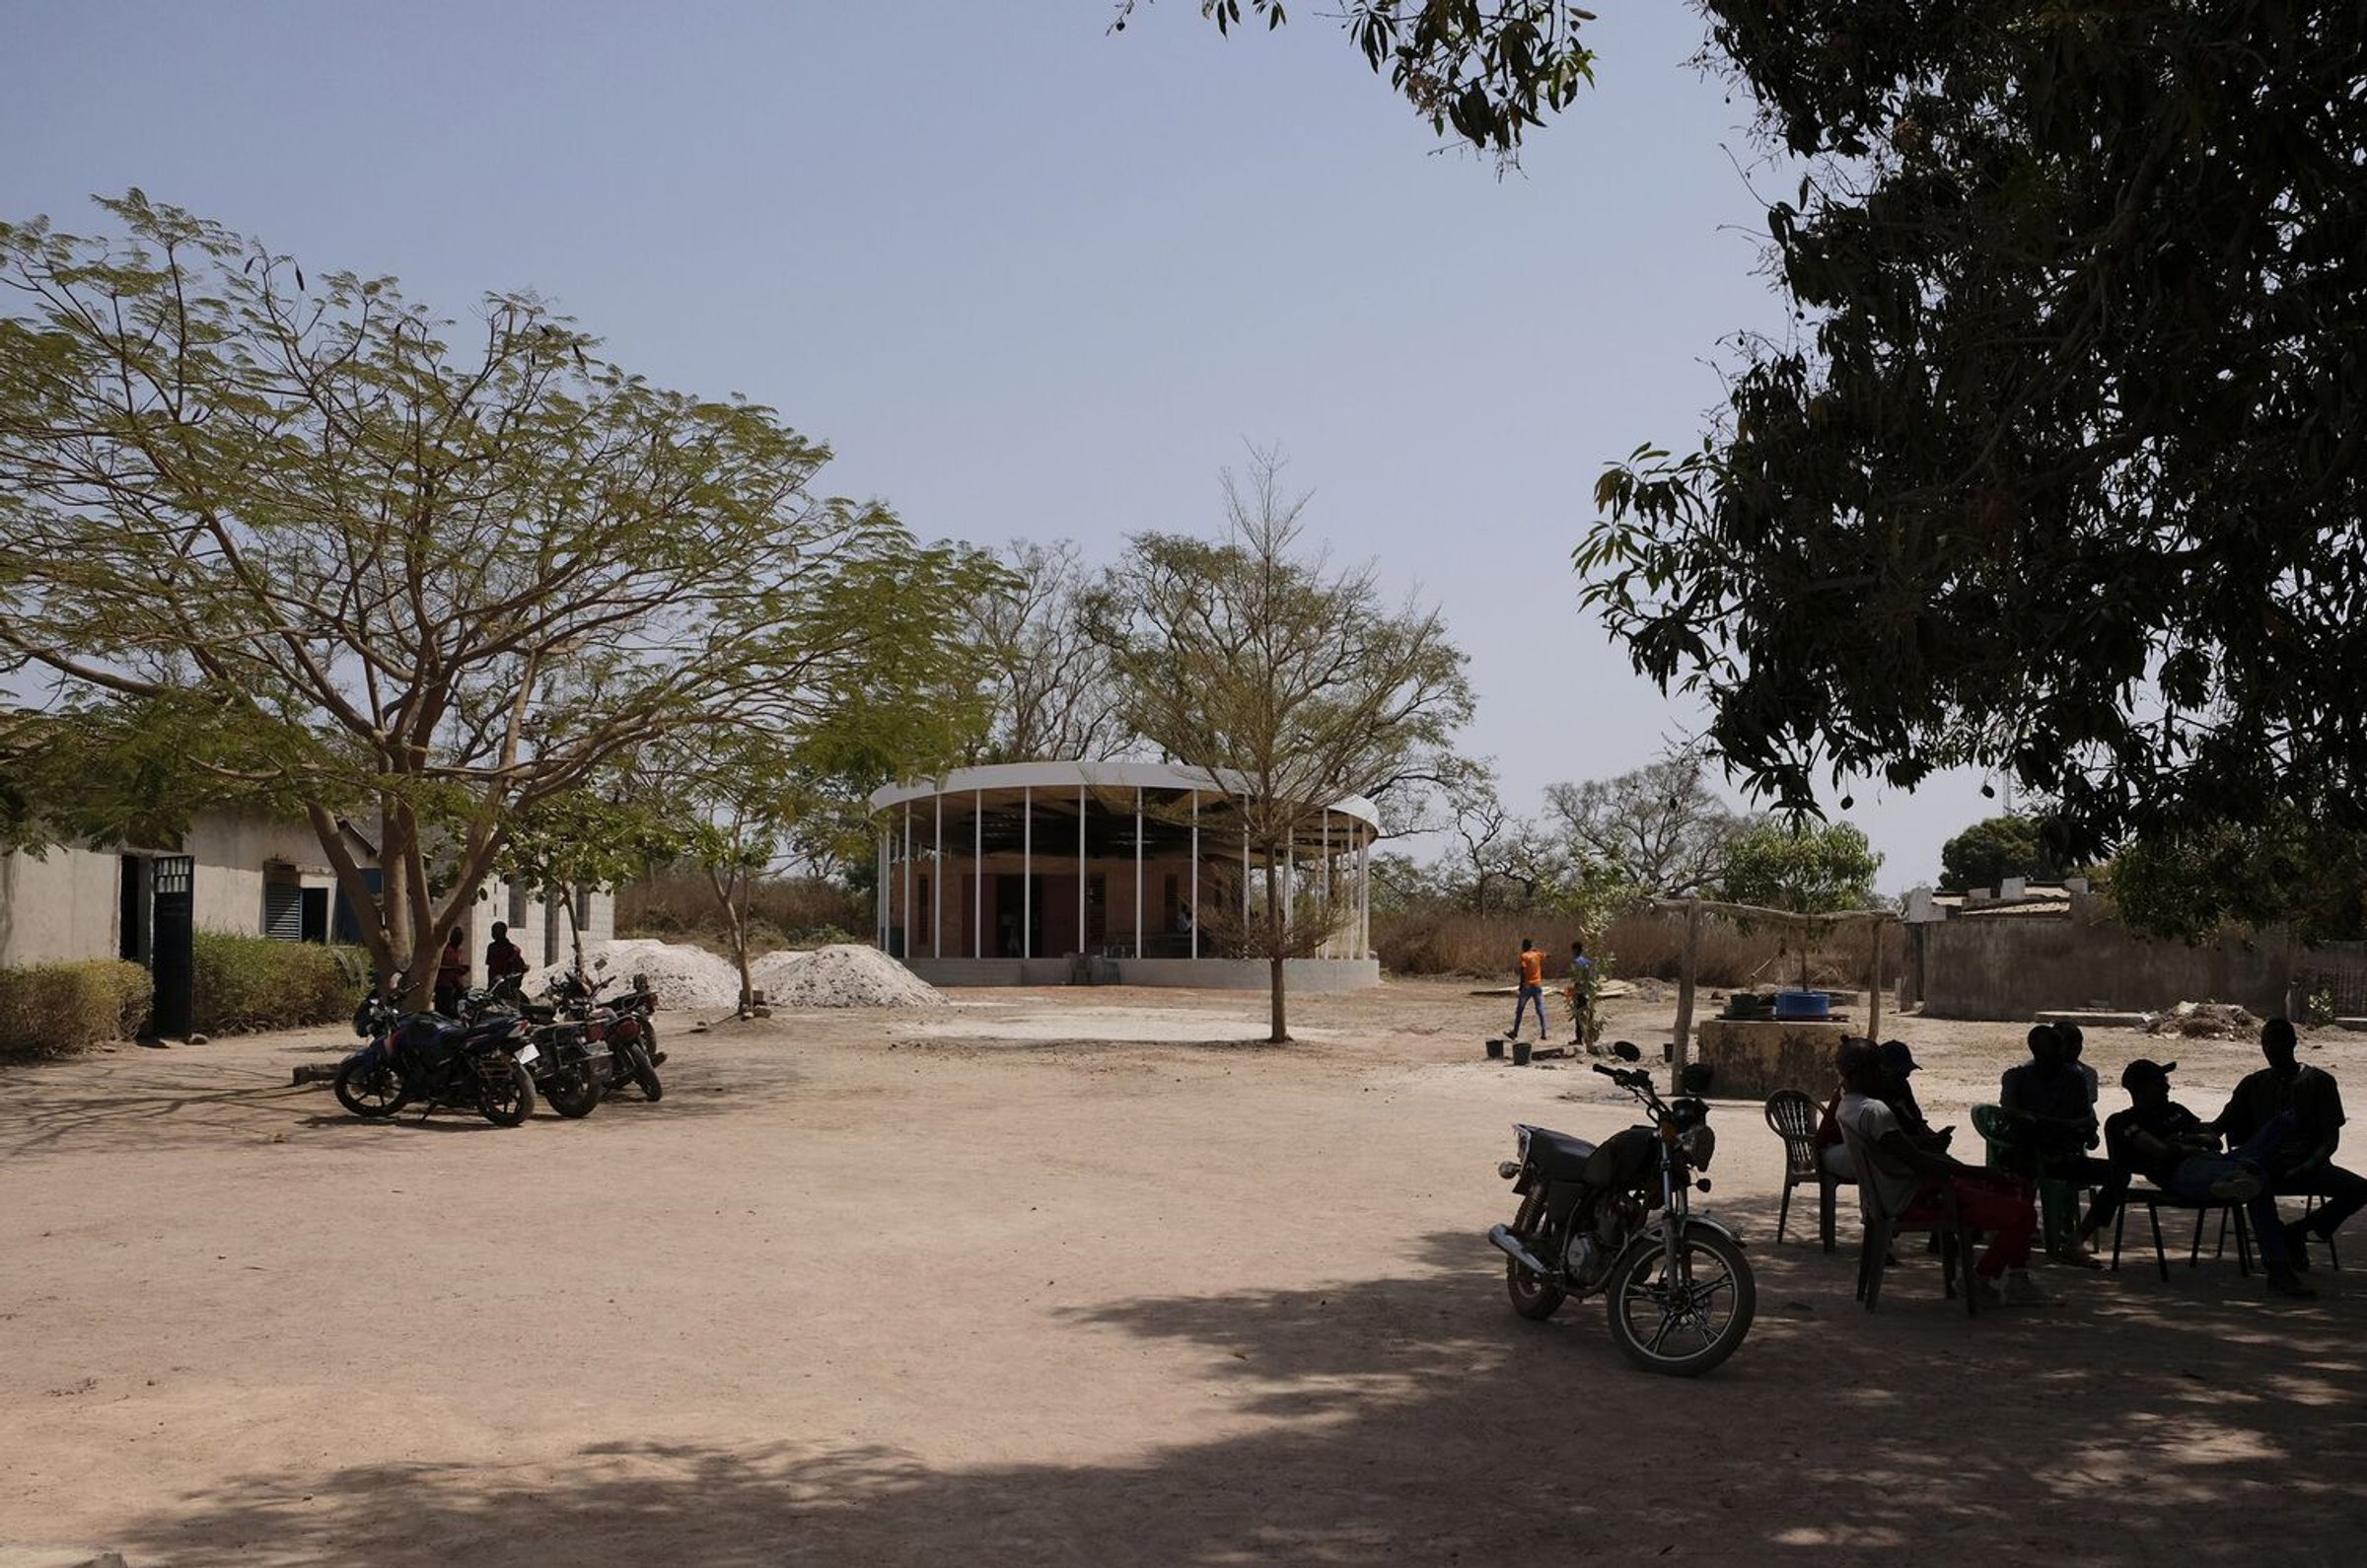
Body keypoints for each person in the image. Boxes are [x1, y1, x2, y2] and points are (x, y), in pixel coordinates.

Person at [1836, 1040, 2050, 1306]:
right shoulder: (1875, 1111)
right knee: (2023, 1212)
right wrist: (1984, 1173)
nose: (1883, 1072)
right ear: (1859, 1071)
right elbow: (1921, 1163)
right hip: (1916, 1198)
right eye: (1876, 1067)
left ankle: (2017, 1276)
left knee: (2014, 1190)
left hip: (1898, 1193)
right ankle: (1983, 1278)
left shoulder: (1848, 1106)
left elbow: (1902, 1149)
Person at [2104, 1058, 2311, 1298]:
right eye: (2159, 1083)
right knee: (2258, 1180)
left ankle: (2235, 1177)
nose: (2167, 1087)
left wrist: (2185, 1142)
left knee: (2282, 1123)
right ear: (2139, 1089)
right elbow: (2161, 1152)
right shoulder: (2124, 1121)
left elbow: (2213, 1140)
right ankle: (2279, 1269)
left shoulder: (2177, 1111)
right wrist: (2190, 1145)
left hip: (2219, 1161)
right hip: (2180, 1174)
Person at [2209, 1017, 2367, 1269]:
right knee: (2250, 1184)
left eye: (2277, 1043)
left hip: (2309, 1166)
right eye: (2266, 1044)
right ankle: (2289, 1241)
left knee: (2361, 1189)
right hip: (2264, 1168)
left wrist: (2308, 1165)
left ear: (2293, 1043)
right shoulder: (2253, 1084)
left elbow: (2330, 1139)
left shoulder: (2320, 1082)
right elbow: (2220, 1126)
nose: (2271, 1050)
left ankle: (2297, 1231)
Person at [1999, 1024, 2125, 1265]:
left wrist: (2073, 1128)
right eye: (2054, 1052)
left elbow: (2086, 1121)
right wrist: (2065, 1125)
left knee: (2119, 1174)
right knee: (2024, 1135)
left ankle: (2076, 1240)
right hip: (2028, 1159)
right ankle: (2022, 1227)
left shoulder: (2074, 1078)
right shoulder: (2016, 1078)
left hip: (2066, 1156)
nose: (2062, 1057)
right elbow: (2014, 1114)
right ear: (2037, 1053)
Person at [1509, 937, 1547, 1041]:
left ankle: (1515, 1032)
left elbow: (1522, 971)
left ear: (1525, 946)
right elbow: (1547, 955)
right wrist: (1537, 950)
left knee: (1520, 1009)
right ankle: (1544, 1032)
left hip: (1527, 986)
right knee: (1540, 1009)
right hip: (1537, 985)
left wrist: (1521, 985)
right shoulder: (1537, 954)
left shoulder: (1524, 956)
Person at [1564, 939, 1599, 1050]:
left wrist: (1573, 991)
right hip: (1589, 991)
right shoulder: (1588, 962)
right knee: (1588, 1015)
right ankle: (1589, 1037)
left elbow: (1577, 979)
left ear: (1575, 950)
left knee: (1579, 1015)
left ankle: (1579, 1038)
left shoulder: (1576, 962)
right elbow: (1592, 977)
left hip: (1580, 992)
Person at [433, 928, 468, 1016]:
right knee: (445, 1012)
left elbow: (454, 970)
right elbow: (446, 969)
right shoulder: (448, 951)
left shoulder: (456, 951)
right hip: (444, 985)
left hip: (449, 985)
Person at [485, 920, 529, 987]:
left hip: (507, 984)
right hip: (496, 984)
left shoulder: (512, 949)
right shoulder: (493, 947)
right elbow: (491, 967)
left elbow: (519, 968)